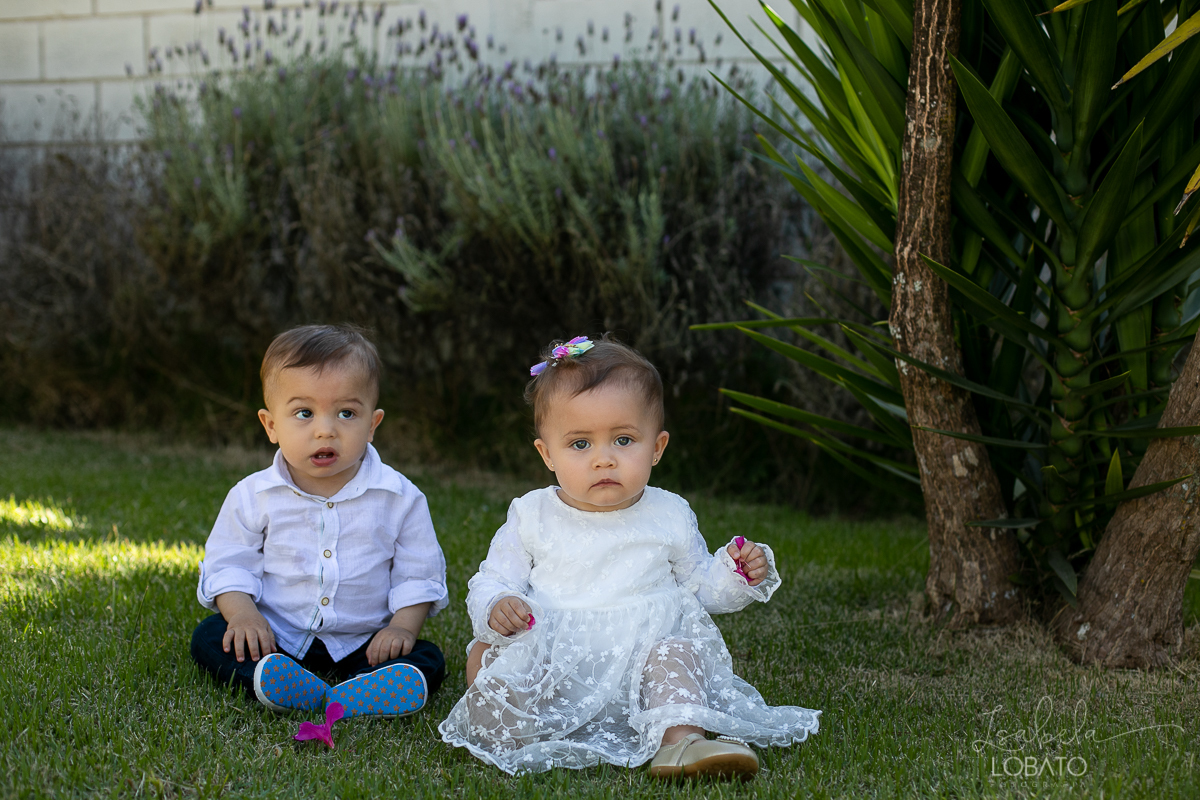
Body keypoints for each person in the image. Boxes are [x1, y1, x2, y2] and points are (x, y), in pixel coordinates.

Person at [438, 335, 819, 777]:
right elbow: (493, 579)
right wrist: (498, 605)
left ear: (656, 448)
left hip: (641, 668)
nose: (604, 460)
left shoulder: (669, 512)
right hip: (560, 663)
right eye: (580, 444)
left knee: (678, 651)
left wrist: (736, 574)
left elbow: (701, 586)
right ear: (547, 454)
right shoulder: (532, 514)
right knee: (485, 652)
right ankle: (515, 732)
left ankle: (680, 742)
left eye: (623, 440)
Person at [190, 324, 448, 719]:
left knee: (427, 657)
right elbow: (229, 565)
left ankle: (357, 689)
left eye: (347, 413)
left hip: (366, 642)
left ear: (372, 425)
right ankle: (279, 679)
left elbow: (419, 575)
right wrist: (244, 616)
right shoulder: (253, 495)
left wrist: (401, 630)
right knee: (210, 637)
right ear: (271, 425)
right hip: (277, 637)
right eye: (304, 413)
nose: (325, 429)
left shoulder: (400, 498)